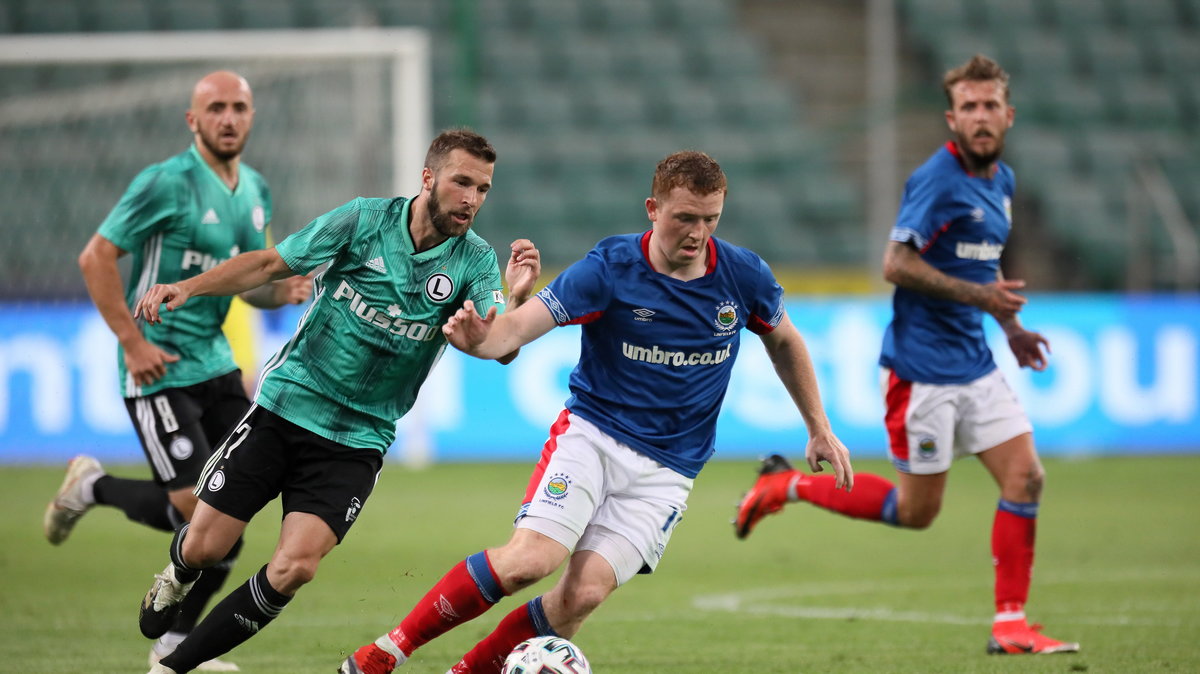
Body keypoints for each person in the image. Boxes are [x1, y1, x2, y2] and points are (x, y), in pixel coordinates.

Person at [339, 150, 854, 674]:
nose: (698, 233)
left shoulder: (744, 277)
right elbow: (511, 334)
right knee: (529, 562)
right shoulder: (609, 270)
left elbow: (785, 340)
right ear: (653, 209)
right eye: (685, 218)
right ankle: (384, 653)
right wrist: (482, 337)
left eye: (710, 219)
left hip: (668, 471)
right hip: (593, 438)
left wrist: (819, 428)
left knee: (583, 595)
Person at [131, 128, 540, 674]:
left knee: (295, 566)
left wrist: (514, 303)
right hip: (287, 405)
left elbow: (499, 345)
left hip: (358, 438)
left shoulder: (475, 262)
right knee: (206, 548)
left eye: (483, 188)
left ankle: (175, 666)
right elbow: (271, 265)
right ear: (428, 178)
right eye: (461, 182)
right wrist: (189, 288)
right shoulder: (362, 221)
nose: (471, 198)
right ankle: (177, 575)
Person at [733, 54, 1080, 656]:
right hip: (920, 373)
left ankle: (1011, 625)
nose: (979, 116)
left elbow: (982, 263)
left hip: (976, 361)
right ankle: (785, 486)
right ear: (951, 118)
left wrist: (1011, 325)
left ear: (1008, 115)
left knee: (1027, 477)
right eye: (968, 107)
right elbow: (896, 264)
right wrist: (983, 297)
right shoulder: (936, 181)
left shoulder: (1003, 183)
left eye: (989, 105)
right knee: (916, 512)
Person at [47, 70, 311, 672]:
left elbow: (249, 284)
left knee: (231, 512)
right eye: (214, 108)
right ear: (192, 121)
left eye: (238, 107)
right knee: (200, 510)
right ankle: (92, 487)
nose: (228, 118)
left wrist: (282, 290)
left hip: (215, 364)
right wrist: (131, 341)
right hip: (158, 367)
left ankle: (171, 646)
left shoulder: (255, 189)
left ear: (251, 116)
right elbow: (96, 257)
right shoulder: (165, 183)